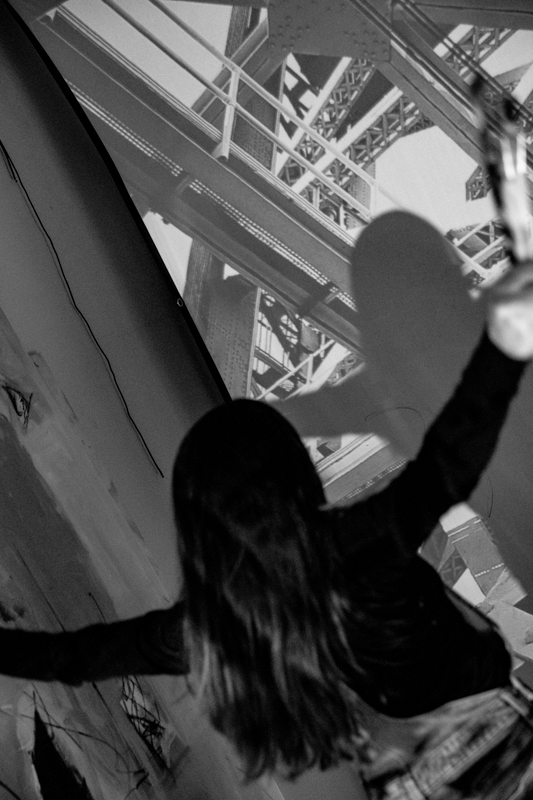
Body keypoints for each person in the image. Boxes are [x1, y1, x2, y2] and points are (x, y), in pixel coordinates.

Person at [2, 260, 533, 799]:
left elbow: (72, 658)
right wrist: (504, 341)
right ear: (289, 474)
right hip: (505, 753)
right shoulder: (354, 543)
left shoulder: (208, 628)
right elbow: (449, 462)